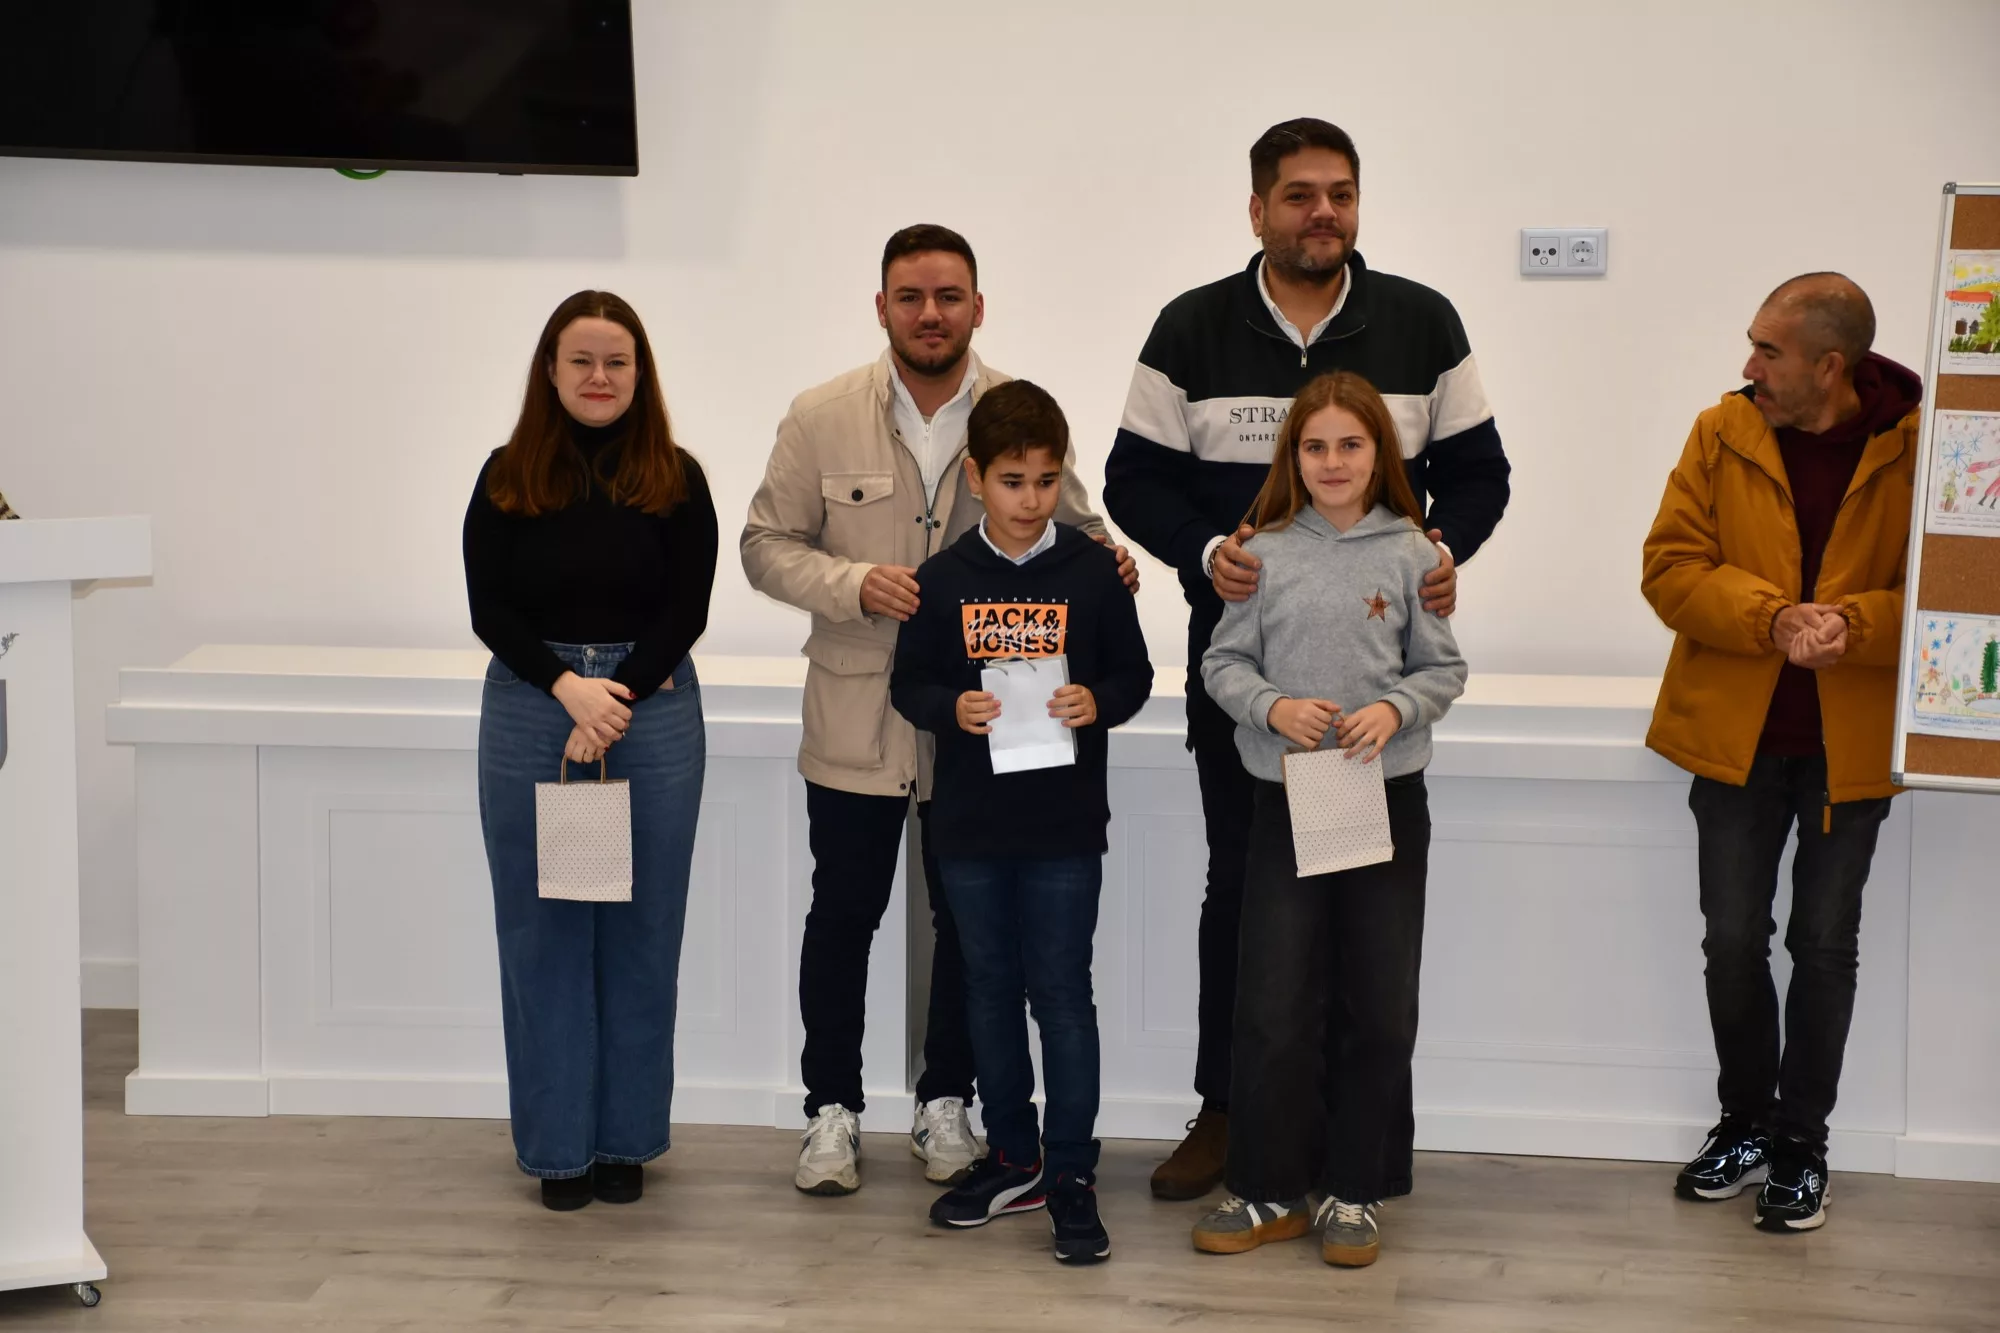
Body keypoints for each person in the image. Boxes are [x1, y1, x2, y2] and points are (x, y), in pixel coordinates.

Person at [1104, 117, 1508, 1199]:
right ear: (1257, 210)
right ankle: (1231, 1114)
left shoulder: (1422, 322)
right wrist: (1207, 555)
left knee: (1363, 926)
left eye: (1339, 193)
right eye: (1298, 195)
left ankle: (1347, 1142)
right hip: (1250, 685)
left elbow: (1481, 475)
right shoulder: (1189, 327)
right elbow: (1131, 480)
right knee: (1243, 897)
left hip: (1376, 698)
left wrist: (1437, 552)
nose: (1322, 212)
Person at [742, 225, 1138, 1196]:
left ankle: (946, 1100)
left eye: (949, 296)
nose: (930, 313)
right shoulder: (819, 415)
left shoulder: (1012, 411)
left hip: (986, 731)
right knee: (845, 913)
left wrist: (1110, 561)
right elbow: (763, 546)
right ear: (881, 307)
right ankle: (830, 1108)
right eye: (911, 296)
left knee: (967, 927)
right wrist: (852, 583)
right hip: (857, 716)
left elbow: (1074, 526)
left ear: (977, 307)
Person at [1643, 273, 1919, 1233]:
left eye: (1769, 350)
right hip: (1735, 742)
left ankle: (1803, 1146)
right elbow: (1669, 569)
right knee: (1731, 941)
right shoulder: (1720, 432)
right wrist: (1771, 618)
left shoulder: (1920, 447)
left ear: (1829, 365)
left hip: (1851, 749)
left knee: (1824, 946)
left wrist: (1854, 625)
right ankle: (1744, 1124)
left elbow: (1951, 590)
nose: (1750, 365)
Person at [1194, 370, 1465, 1268]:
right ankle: (1267, 1186)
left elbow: (1443, 669)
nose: (1333, 461)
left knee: (1378, 1001)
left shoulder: (1415, 555)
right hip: (1286, 798)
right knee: (1274, 999)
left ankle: (1357, 1188)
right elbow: (1222, 663)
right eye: (1316, 446)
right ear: (1293, 456)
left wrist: (1396, 709)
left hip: (1385, 798)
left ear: (1380, 453)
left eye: (1351, 444)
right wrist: (1272, 707)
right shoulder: (1261, 552)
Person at [462, 290, 718, 1211]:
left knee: (643, 934)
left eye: (617, 361)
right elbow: (489, 607)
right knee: (545, 937)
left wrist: (615, 696)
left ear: (640, 373)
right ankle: (558, 1148)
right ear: (551, 369)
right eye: (582, 360)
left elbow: (687, 608)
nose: (599, 376)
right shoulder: (505, 476)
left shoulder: (677, 478)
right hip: (534, 709)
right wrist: (569, 688)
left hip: (653, 710)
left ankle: (624, 1142)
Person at [888, 380, 1153, 1264]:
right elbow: (909, 683)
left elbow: (1134, 674)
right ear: (975, 478)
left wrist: (1098, 700)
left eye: (1045, 480)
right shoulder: (942, 579)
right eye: (1012, 481)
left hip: (1064, 828)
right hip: (968, 826)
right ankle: (1013, 1158)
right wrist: (950, 707)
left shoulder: (1092, 570)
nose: (1031, 499)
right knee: (989, 991)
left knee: (1063, 995)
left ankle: (1071, 1170)